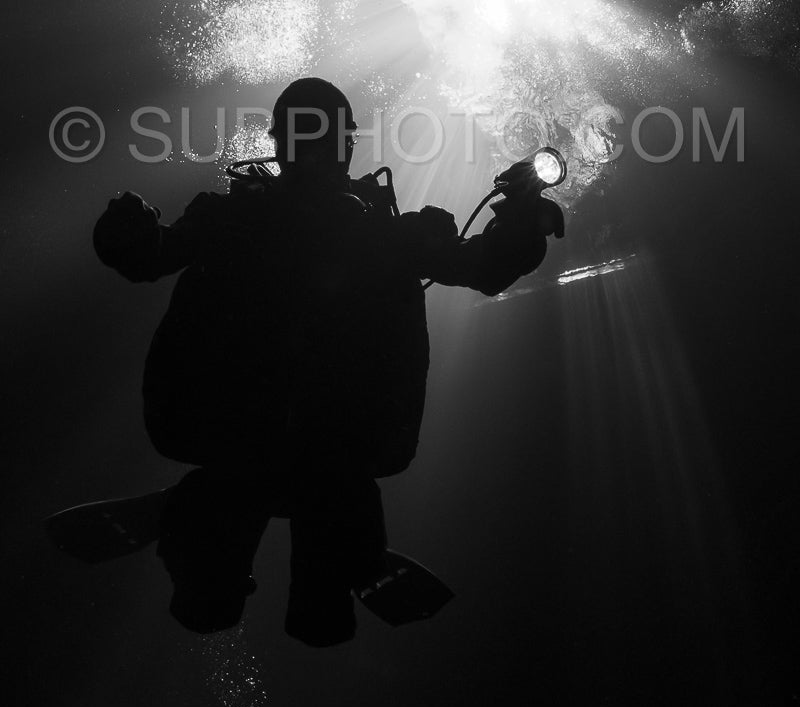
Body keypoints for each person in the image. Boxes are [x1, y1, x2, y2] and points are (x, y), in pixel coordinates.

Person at [93, 77, 564, 644]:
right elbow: (479, 266)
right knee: (245, 609)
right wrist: (127, 237)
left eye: (318, 135)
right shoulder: (357, 230)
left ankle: (196, 515)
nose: (314, 149)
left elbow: (482, 265)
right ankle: (217, 522)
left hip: (253, 446)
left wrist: (516, 227)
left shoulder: (262, 222)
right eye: (306, 135)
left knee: (305, 620)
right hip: (316, 453)